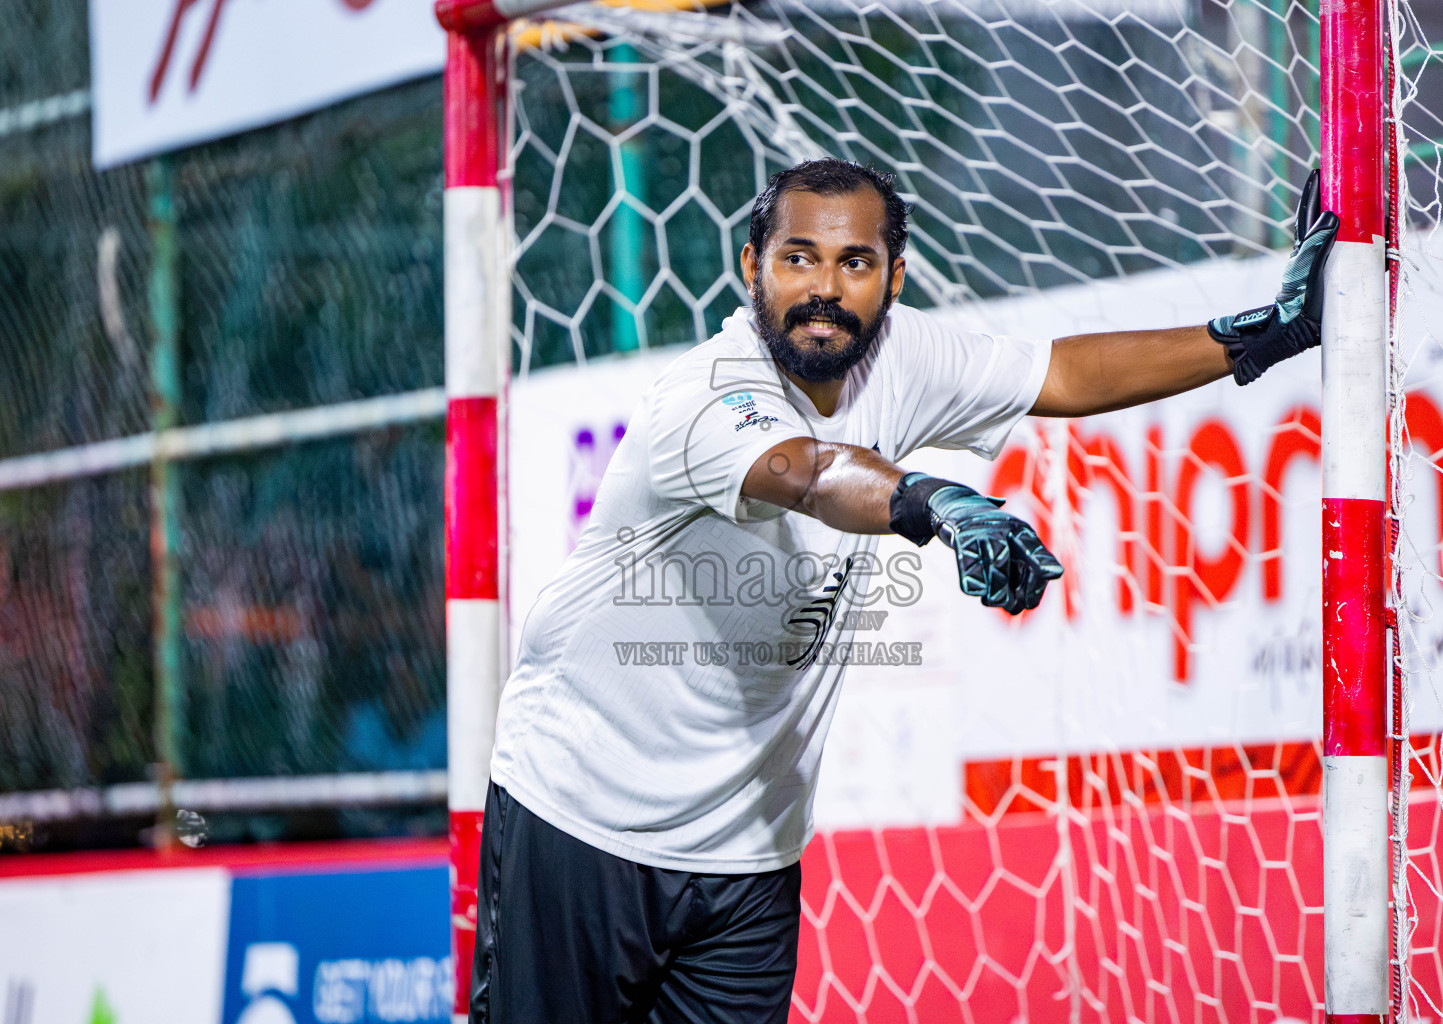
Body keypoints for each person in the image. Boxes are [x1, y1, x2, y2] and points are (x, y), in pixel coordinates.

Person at [470, 158, 1337, 1024]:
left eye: (853, 264)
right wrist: (936, 502)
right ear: (750, 267)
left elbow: (1064, 375)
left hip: (747, 855)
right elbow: (805, 472)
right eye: (797, 258)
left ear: (894, 276)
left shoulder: (903, 354)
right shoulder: (705, 394)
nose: (822, 289)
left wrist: (1258, 336)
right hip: (577, 818)